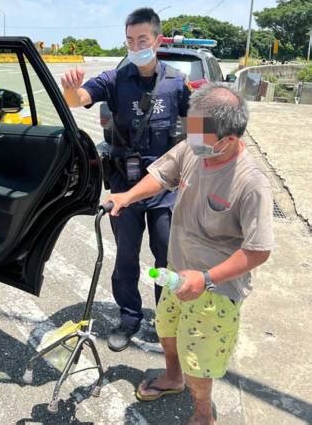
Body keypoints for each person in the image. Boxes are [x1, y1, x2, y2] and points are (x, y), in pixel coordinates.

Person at [107, 83, 274, 425]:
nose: (191, 136)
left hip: (214, 288)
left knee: (199, 360)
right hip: (176, 273)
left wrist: (207, 278)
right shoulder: (196, 147)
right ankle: (172, 378)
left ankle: (203, 413)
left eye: (200, 132)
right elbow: (161, 175)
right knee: (167, 331)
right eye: (191, 127)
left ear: (228, 139)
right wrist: (128, 196)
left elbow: (258, 250)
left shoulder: (251, 183)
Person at [61, 7, 190, 351]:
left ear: (157, 40)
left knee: (166, 258)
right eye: (130, 40)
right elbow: (80, 98)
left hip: (165, 188)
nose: (135, 46)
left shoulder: (178, 82)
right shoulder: (116, 79)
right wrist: (72, 91)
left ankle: (167, 319)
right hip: (125, 185)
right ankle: (130, 316)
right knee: (127, 256)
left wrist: (203, 171)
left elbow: (202, 130)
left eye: (142, 39)